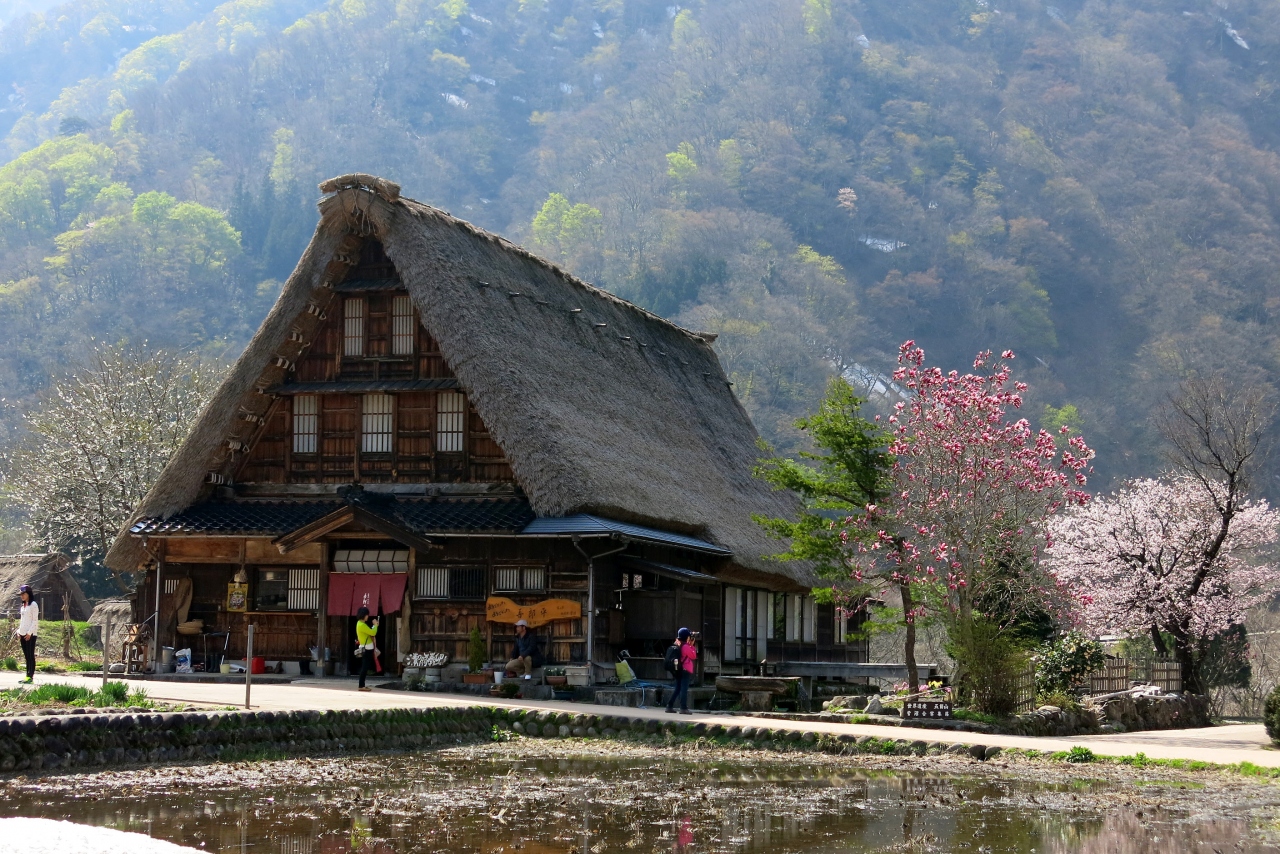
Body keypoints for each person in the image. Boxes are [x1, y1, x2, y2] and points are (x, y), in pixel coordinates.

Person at [665, 627, 697, 714]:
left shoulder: (677, 644)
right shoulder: (686, 647)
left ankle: (669, 706)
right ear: (687, 637)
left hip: (678, 669)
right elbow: (693, 656)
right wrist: (692, 646)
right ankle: (683, 708)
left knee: (678, 688)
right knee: (684, 689)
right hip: (685, 670)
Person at [15, 584, 37, 684]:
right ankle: (26, 676)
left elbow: (35, 620)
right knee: (26, 656)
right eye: (21, 594)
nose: (22, 596)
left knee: (30, 655)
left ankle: (30, 677)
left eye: (24, 594)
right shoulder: (23, 606)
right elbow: (22, 620)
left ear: (28, 594)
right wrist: (19, 631)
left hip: (30, 635)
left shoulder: (33, 605)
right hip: (23, 634)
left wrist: (29, 633)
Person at [354, 607, 379, 692]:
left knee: (365, 666)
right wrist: (375, 625)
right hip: (367, 648)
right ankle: (361, 685)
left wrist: (374, 626)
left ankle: (362, 685)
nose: (368, 616)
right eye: (367, 615)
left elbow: (369, 631)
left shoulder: (359, 624)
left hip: (366, 647)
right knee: (365, 667)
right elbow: (373, 632)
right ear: (364, 615)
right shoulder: (362, 625)